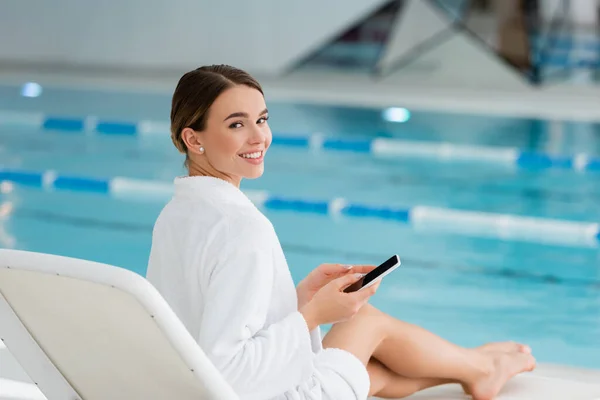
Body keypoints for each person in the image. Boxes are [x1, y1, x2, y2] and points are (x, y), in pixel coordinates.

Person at [146, 65, 536, 400]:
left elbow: (207, 317)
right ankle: (478, 367)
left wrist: (297, 298)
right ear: (193, 139)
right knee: (364, 322)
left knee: (375, 374)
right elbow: (229, 371)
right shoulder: (242, 228)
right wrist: (315, 315)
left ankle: (476, 366)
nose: (258, 137)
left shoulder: (176, 213)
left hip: (193, 389)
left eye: (261, 119)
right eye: (236, 124)